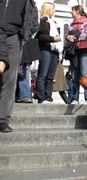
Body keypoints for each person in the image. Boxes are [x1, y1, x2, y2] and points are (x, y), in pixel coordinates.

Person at [0, 0, 38, 133]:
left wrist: (26, 33)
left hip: (14, 36)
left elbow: (32, 15)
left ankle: (3, 119)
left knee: (10, 79)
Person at [65, 5, 87, 104]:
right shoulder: (70, 23)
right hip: (74, 51)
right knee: (74, 75)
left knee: (84, 73)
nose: (71, 13)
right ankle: (74, 98)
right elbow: (67, 35)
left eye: (72, 11)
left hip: (85, 49)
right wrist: (67, 37)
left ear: (77, 11)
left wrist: (75, 36)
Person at [35, 2, 62, 104]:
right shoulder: (42, 21)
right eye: (52, 9)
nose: (53, 11)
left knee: (51, 76)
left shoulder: (55, 22)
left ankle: (48, 96)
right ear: (47, 9)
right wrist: (53, 38)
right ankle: (41, 97)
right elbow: (40, 36)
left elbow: (58, 37)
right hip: (45, 49)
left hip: (55, 51)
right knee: (43, 74)